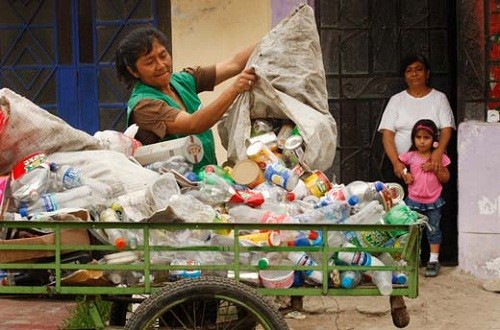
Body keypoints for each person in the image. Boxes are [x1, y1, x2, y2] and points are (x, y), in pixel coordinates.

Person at [115, 26, 257, 171]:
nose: (161, 65)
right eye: (150, 62)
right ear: (133, 71)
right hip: (176, 187)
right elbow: (193, 124)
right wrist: (235, 89)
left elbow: (234, 64)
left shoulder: (182, 81)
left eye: (163, 55)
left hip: (207, 178)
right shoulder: (144, 105)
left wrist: (274, 36)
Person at [378, 53, 455, 183]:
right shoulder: (396, 100)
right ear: (404, 76)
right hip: (403, 167)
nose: (414, 74)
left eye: (419, 69)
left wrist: (438, 152)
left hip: (431, 166)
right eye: (409, 70)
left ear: (427, 74)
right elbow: (387, 135)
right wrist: (396, 163)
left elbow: (447, 129)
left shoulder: (439, 98)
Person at [399, 119, 450, 277]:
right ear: (413, 139)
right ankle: (411, 259)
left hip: (433, 202)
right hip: (413, 200)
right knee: (411, 231)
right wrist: (406, 175)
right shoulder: (411, 156)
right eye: (418, 137)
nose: (422, 141)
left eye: (426, 138)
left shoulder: (438, 158)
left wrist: (435, 168)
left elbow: (446, 178)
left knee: (433, 231)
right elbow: (400, 166)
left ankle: (433, 261)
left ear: (434, 139)